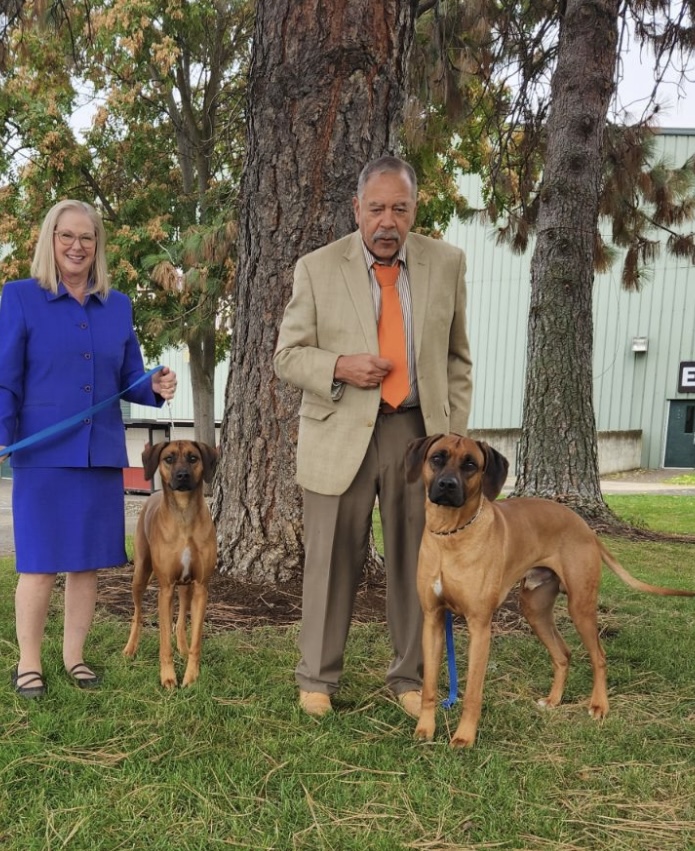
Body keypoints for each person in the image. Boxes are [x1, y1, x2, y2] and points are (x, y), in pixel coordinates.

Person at [274, 155, 473, 718]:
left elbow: (458, 360)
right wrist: (339, 366)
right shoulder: (317, 268)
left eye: (400, 209)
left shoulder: (447, 263)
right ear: (356, 208)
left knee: (418, 561)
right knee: (331, 559)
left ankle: (411, 677)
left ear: (415, 209)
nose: (388, 221)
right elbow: (287, 355)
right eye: (377, 208)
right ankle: (317, 678)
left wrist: (452, 441)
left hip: (419, 438)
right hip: (339, 430)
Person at [0, 199, 177, 698]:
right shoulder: (19, 297)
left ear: (97, 244)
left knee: (86, 563)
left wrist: (153, 385)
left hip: (99, 453)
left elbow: (129, 375)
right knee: (39, 563)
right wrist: (2, 431)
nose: (77, 246)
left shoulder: (117, 305)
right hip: (43, 454)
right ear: (50, 240)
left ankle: (74, 657)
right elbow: (6, 377)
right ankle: (29, 663)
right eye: (67, 235)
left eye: (87, 236)